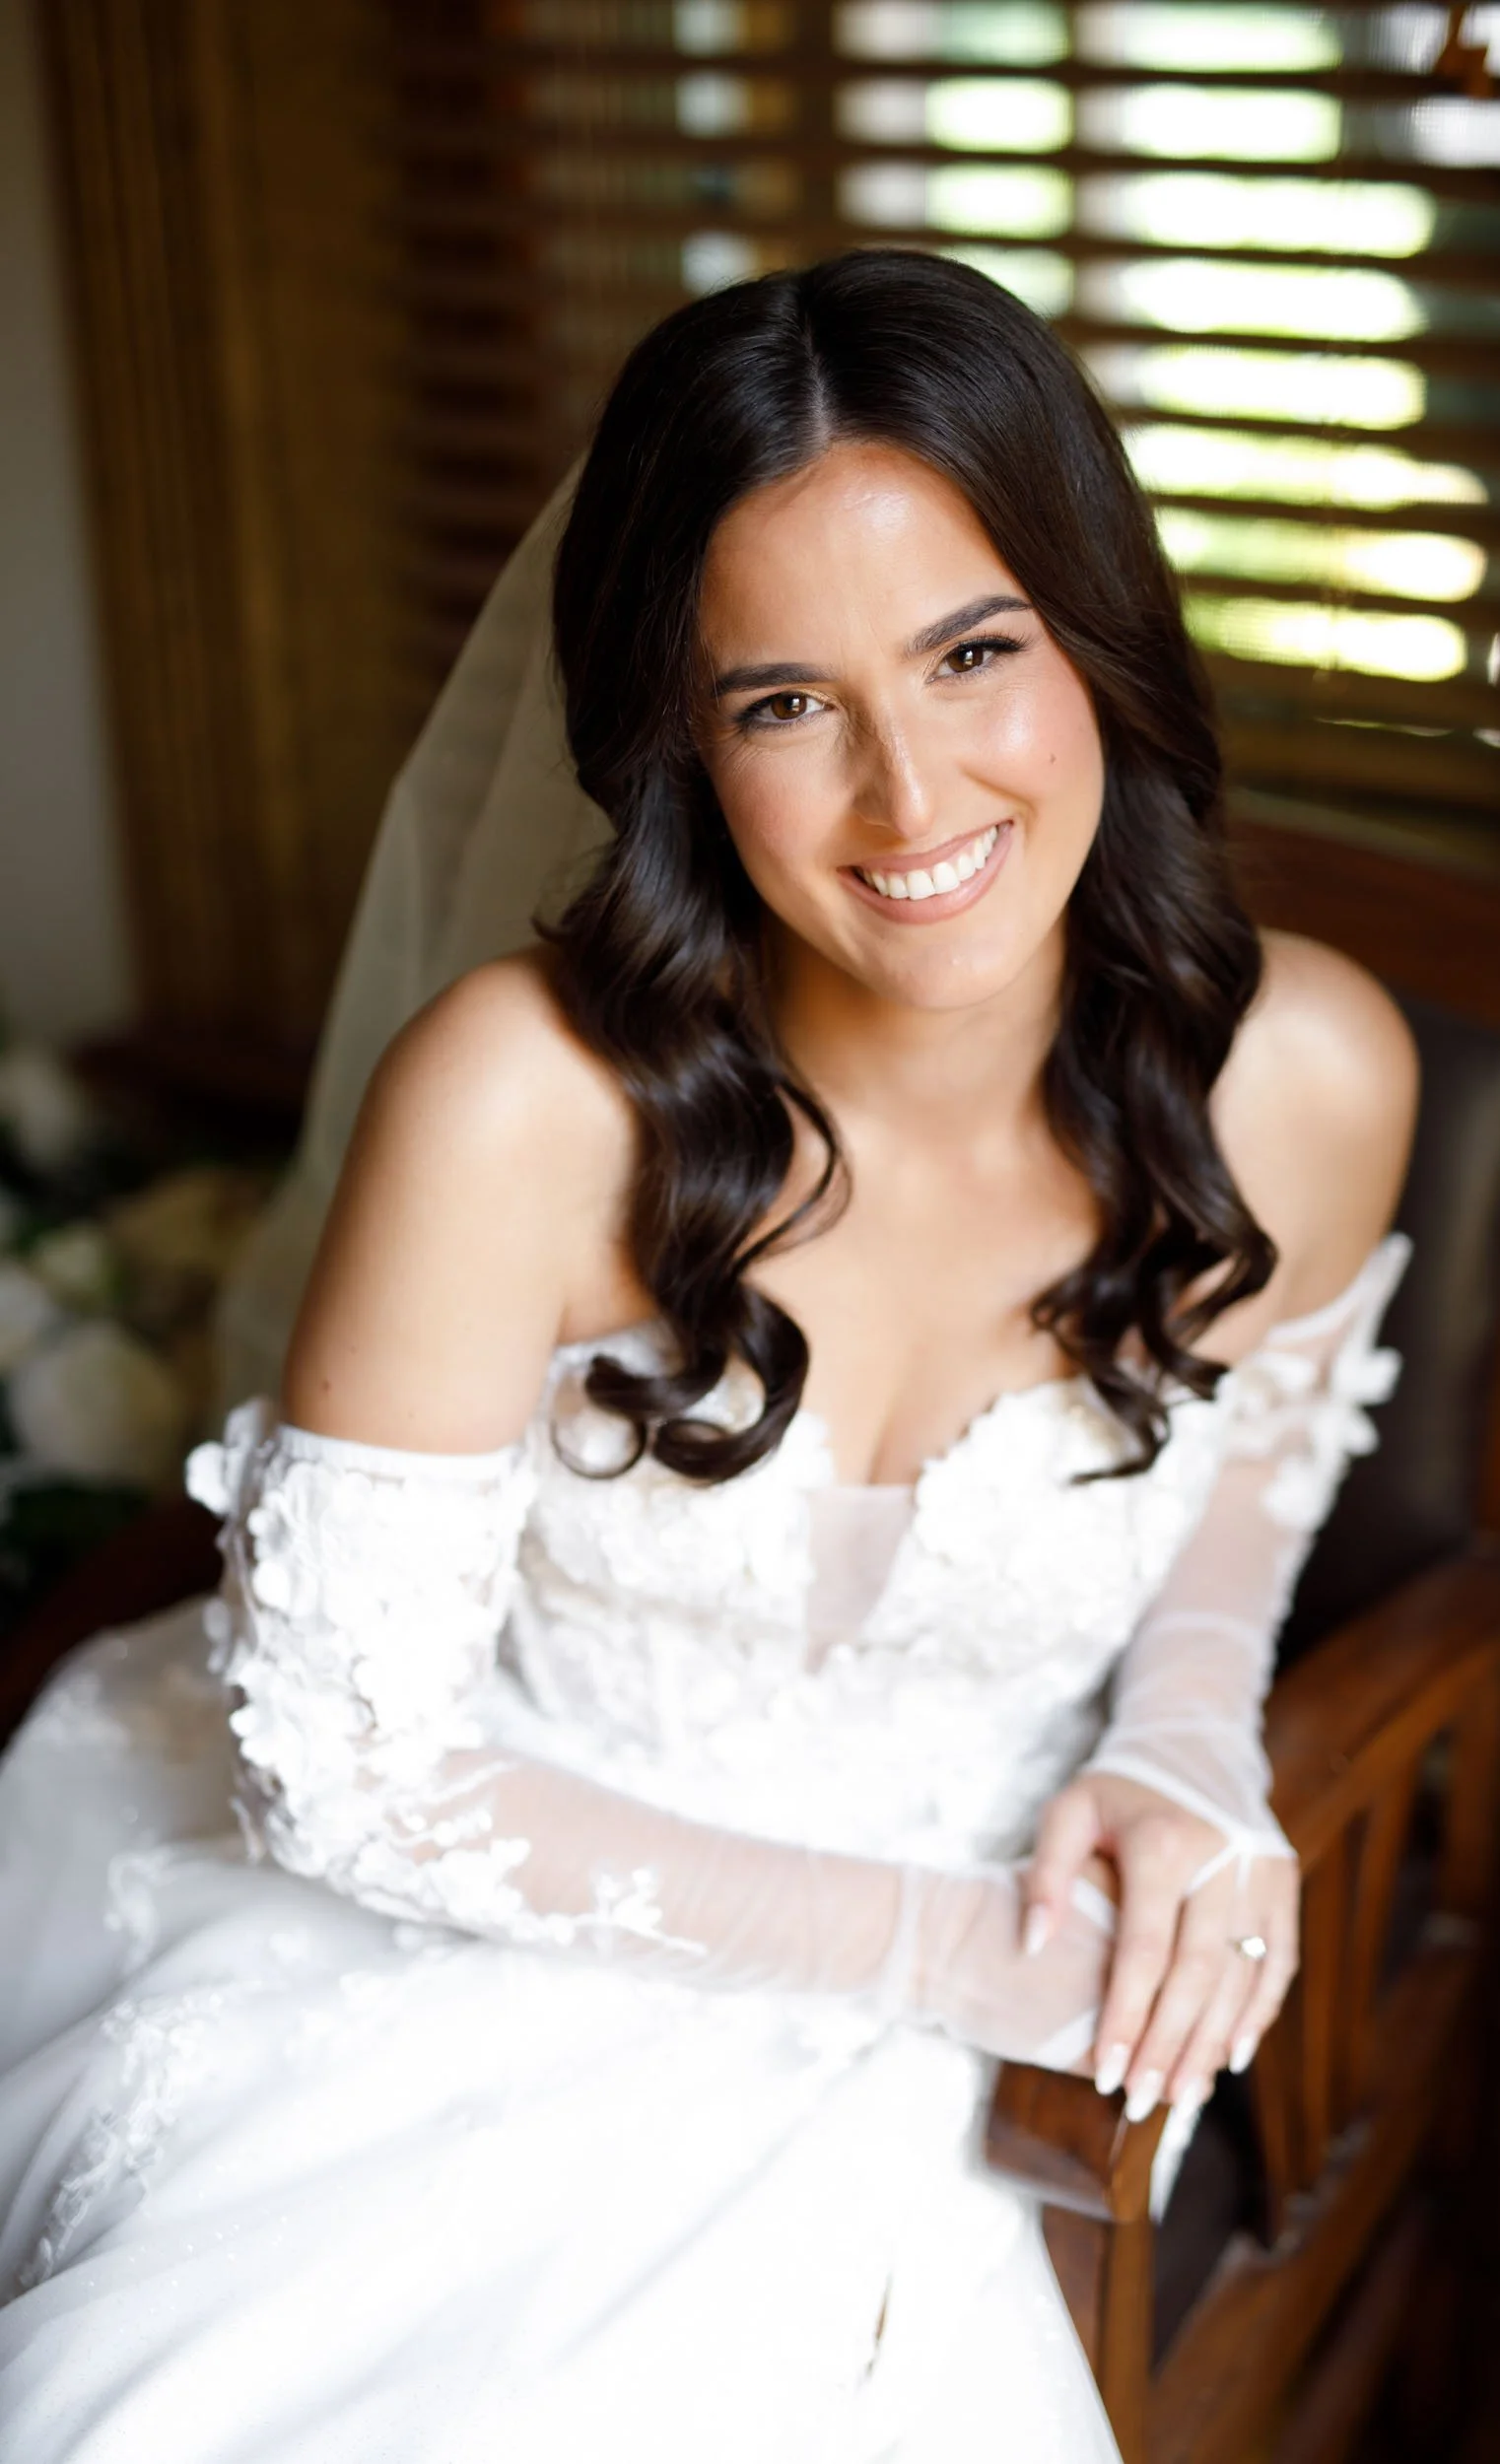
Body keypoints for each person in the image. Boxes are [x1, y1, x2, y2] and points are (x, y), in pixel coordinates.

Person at [0, 250, 1416, 2462]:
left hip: (964, 1954)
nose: (907, 791)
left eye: (973, 651)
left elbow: (1256, 1470)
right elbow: (349, 1772)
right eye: (782, 703)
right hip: (460, 1913)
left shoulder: (1304, 1074)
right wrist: (949, 1953)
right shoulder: (516, 1102)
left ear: (1098, 636)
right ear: (673, 741)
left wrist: (1182, 1740)